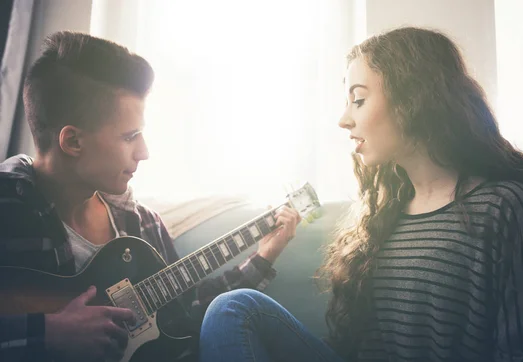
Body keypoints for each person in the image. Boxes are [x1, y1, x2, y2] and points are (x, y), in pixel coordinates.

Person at [197, 26, 523, 362]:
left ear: (414, 99)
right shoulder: (381, 213)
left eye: (358, 99)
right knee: (233, 309)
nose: (344, 118)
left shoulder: (505, 206)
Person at [0, 31, 301, 362]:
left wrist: (263, 257)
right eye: (130, 137)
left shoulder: (142, 225)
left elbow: (187, 312)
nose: (144, 152)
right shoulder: (8, 207)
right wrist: (49, 332)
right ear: (72, 142)